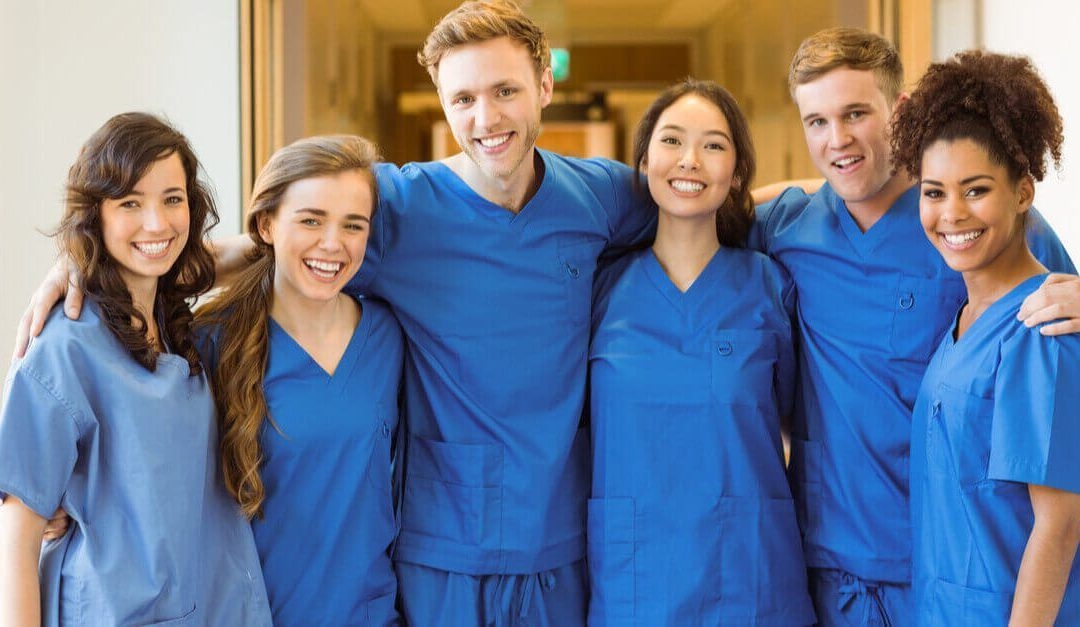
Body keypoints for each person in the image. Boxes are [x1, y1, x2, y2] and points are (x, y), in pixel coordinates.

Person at [14, 2, 654, 624]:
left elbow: (701, 200)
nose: (485, 117)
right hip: (445, 550)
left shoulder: (597, 194)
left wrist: (749, 194)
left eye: (506, 91)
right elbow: (299, 234)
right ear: (440, 99)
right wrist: (100, 262)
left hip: (554, 538)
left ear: (545, 85)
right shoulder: (402, 204)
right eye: (463, 98)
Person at [751, 27, 1079, 624]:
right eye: (817, 122)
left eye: (856, 113)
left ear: (898, 111)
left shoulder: (973, 224)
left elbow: (1055, 311)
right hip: (834, 567)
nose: (837, 140)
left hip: (959, 563)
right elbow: (702, 210)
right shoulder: (789, 229)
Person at [0, 112, 271, 626]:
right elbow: (16, 534)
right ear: (95, 215)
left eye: (173, 199)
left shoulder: (168, 312)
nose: (157, 223)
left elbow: (254, 248)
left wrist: (298, 224)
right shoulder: (65, 345)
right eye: (130, 203)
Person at [587, 78, 815, 625]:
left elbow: (792, 417)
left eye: (713, 145)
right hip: (635, 576)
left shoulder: (770, 286)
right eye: (671, 141)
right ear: (642, 161)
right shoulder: (600, 289)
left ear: (736, 173)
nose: (689, 160)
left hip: (750, 575)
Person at [892, 50, 1080, 626]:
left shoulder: (1040, 328)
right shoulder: (964, 323)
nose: (951, 214)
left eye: (976, 190)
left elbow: (1059, 524)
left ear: (1023, 192)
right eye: (933, 192)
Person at [195, 135, 403, 625]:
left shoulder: (388, 336)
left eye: (353, 225)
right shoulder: (211, 343)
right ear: (265, 225)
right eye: (311, 219)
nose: (333, 244)